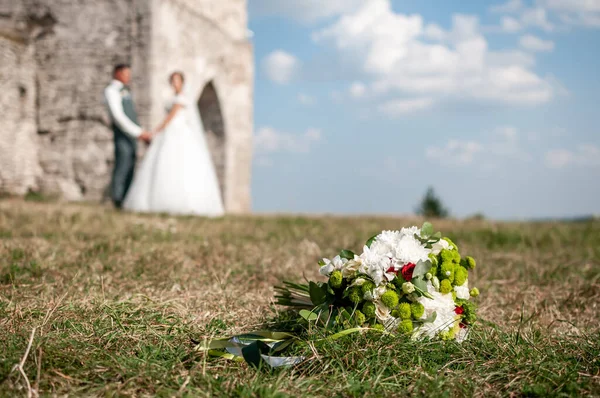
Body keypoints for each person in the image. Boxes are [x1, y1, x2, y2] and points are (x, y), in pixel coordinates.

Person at [122, 71, 225, 216]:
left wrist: (155, 131)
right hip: (170, 133)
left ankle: (184, 203)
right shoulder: (174, 98)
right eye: (172, 80)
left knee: (179, 166)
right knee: (164, 164)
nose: (174, 83)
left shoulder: (181, 99)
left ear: (182, 82)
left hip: (178, 132)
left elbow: (170, 118)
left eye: (177, 80)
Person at [104, 64, 152, 209]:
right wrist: (139, 133)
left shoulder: (126, 91)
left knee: (131, 165)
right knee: (122, 165)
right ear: (117, 73)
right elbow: (118, 117)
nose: (128, 77)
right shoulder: (111, 91)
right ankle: (117, 199)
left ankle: (126, 198)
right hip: (122, 134)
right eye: (125, 74)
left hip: (132, 135)